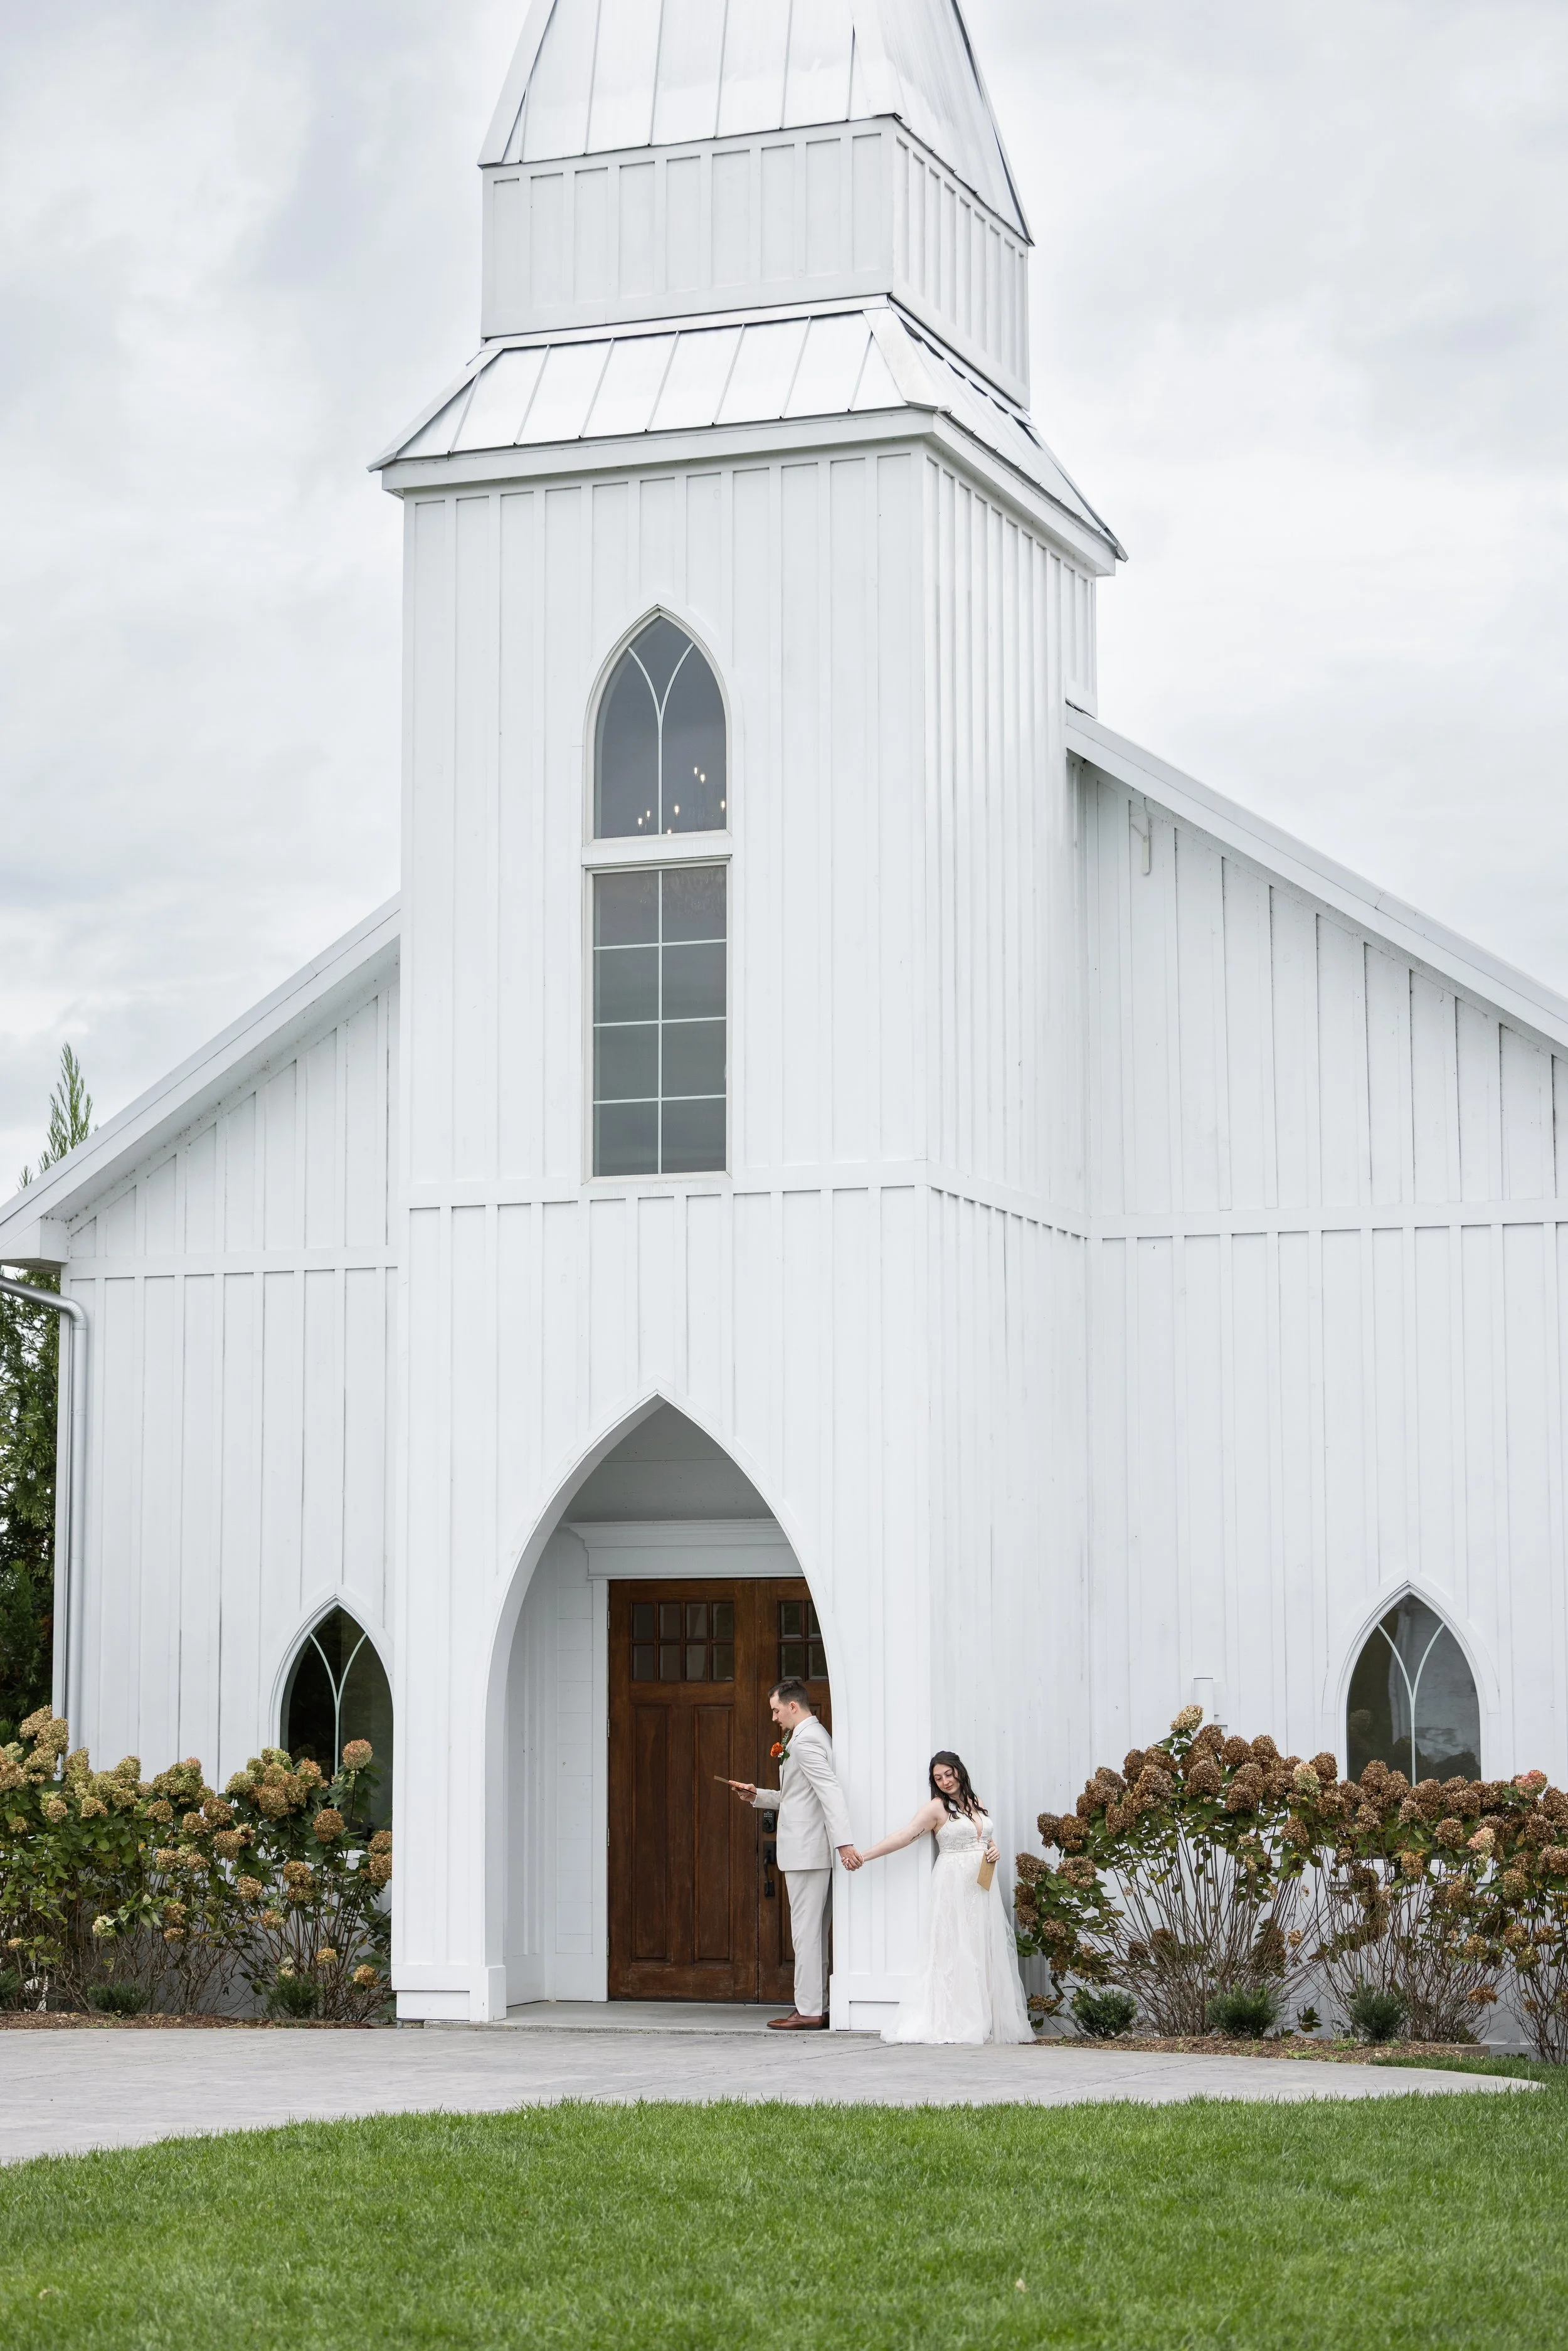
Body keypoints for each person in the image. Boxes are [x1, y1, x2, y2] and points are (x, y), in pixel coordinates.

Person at [846, 1751, 1033, 2045]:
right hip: (953, 1884)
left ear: (959, 1771)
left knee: (981, 1946)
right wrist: (864, 1856)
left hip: (982, 1886)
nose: (945, 1781)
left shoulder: (977, 1802)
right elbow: (905, 1835)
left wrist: (994, 1850)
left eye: (949, 1774)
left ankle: (985, 2018)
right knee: (954, 1947)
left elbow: (983, 1837)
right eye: (938, 1778)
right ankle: (956, 2018)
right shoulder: (936, 1809)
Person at [728, 1678, 857, 2030]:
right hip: (810, 1849)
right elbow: (800, 1796)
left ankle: (809, 2010)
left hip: (807, 1850)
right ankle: (817, 2006)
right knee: (812, 1931)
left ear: (793, 1706)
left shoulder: (806, 1741)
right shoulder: (810, 1738)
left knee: (805, 1932)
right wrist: (758, 1795)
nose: (774, 1718)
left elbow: (829, 1790)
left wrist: (844, 1842)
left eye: (775, 1710)